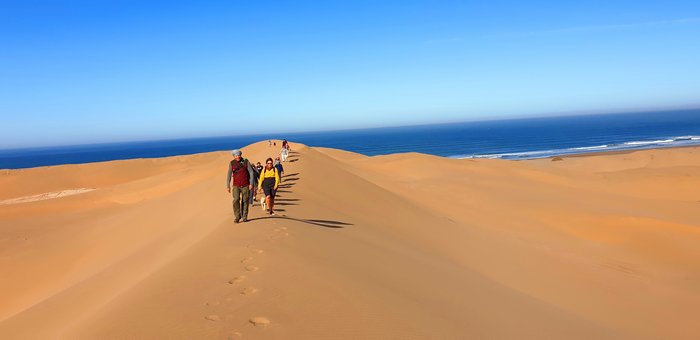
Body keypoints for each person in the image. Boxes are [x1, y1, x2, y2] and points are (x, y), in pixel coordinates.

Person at [226, 149, 254, 223]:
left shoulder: (246, 161)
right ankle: (237, 216)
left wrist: (251, 183)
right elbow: (229, 174)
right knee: (236, 200)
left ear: (240, 155)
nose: (238, 156)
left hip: (245, 185)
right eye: (236, 155)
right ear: (234, 156)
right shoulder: (232, 163)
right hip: (236, 185)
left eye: (239, 155)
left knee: (245, 201)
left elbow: (251, 172)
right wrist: (228, 185)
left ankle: (244, 216)